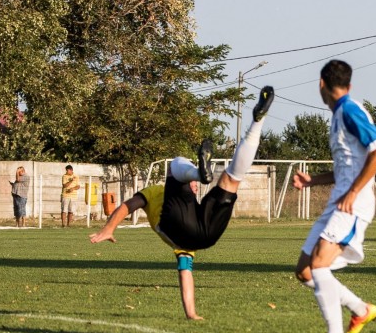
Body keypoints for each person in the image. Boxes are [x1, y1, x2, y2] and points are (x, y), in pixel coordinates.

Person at [89, 86, 275, 320]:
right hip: (201, 234)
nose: (193, 189)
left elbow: (185, 272)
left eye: (195, 184)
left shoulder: (183, 213)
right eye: (194, 184)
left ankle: (256, 122)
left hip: (200, 235)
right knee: (219, 177)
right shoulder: (156, 191)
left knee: (230, 179)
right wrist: (108, 227)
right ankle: (251, 129)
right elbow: (128, 205)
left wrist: (191, 314)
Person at [293, 60, 376, 333]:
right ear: (349, 84)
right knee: (305, 270)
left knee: (319, 264)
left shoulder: (349, 110)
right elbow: (347, 167)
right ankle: (360, 309)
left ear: (321, 84)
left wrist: (353, 192)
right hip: (339, 202)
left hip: (353, 204)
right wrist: (313, 181)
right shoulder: (338, 115)